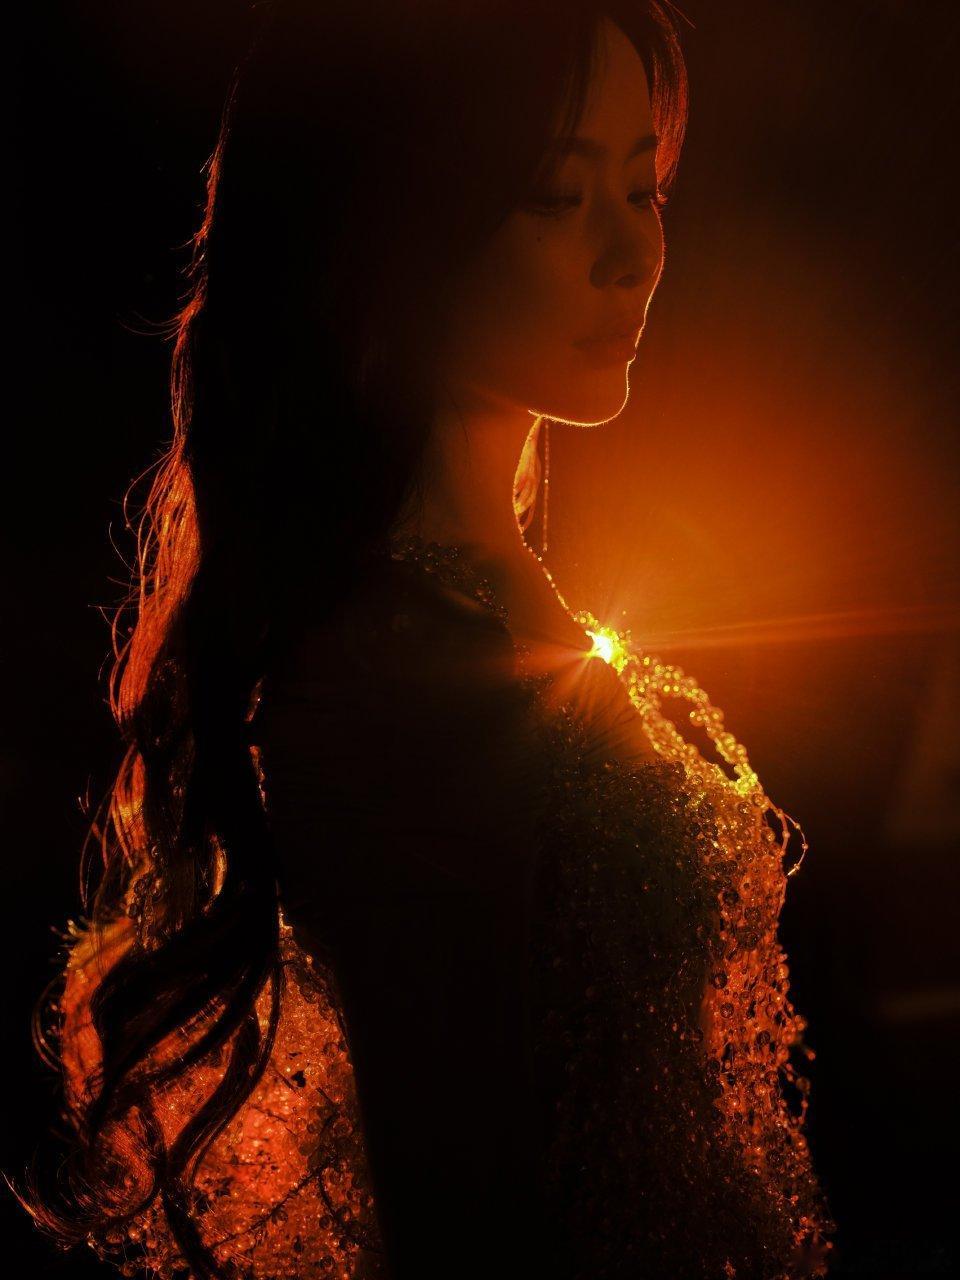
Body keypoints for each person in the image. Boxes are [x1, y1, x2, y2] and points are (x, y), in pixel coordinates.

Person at [11, 2, 835, 1277]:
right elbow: (464, 1200)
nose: (633, 254)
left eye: (643, 188)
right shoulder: (395, 671)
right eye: (558, 195)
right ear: (404, 222)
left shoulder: (488, 613)